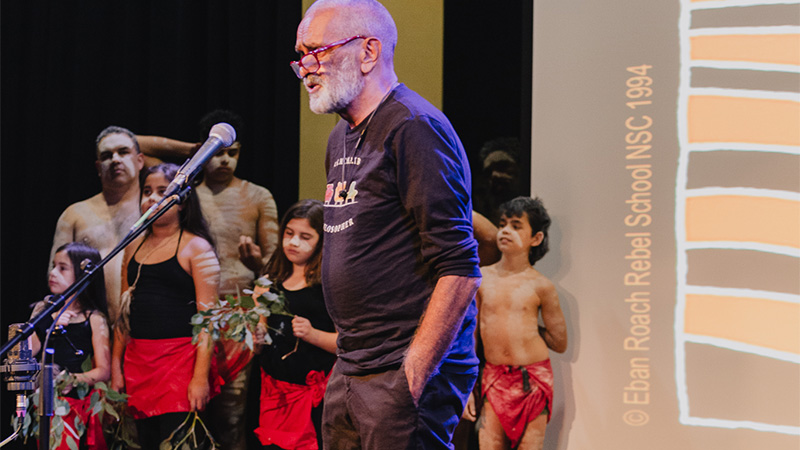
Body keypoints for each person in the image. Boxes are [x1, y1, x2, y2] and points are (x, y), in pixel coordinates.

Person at [293, 1, 482, 448]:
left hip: (400, 368)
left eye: (317, 51)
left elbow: (460, 267)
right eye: (300, 55)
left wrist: (413, 373)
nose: (306, 68)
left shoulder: (413, 127)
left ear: (368, 52)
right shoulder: (340, 135)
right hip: (353, 363)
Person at [110, 163, 221, 449]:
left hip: (180, 364)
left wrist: (199, 378)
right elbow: (123, 313)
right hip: (138, 363)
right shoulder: (133, 246)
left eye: (162, 191)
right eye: (147, 191)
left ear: (183, 202)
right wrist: (116, 368)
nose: (151, 198)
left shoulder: (197, 248)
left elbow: (208, 319)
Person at [191, 110, 280, 450]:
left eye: (233, 152)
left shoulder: (258, 197)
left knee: (231, 417)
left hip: (238, 318)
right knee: (190, 414)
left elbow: (276, 269)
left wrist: (258, 265)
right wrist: (193, 152)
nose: (225, 160)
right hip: (192, 317)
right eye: (218, 152)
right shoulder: (185, 195)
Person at [463, 196, 567, 450]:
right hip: (494, 379)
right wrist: (466, 386)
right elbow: (470, 336)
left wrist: (525, 328)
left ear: (536, 239)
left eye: (516, 225)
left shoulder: (541, 285)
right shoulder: (482, 278)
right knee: (489, 443)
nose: (506, 231)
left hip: (533, 381)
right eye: (503, 224)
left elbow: (559, 341)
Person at [254, 199, 337, 450]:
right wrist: (256, 337)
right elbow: (261, 339)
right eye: (289, 234)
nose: (293, 242)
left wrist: (314, 335)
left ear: (322, 241)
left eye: (305, 237)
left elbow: (349, 345)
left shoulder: (327, 287)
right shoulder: (270, 283)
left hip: (313, 401)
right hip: (273, 394)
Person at [49, 126, 145, 324]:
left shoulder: (156, 212)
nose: (115, 159)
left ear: (140, 161)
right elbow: (56, 277)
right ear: (98, 167)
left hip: (144, 330)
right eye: (107, 155)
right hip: (87, 328)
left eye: (123, 152)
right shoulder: (74, 214)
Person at [29, 242, 111, 450]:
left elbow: (103, 370)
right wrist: (49, 323)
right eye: (53, 266)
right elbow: (29, 352)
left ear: (83, 275)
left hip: (75, 408)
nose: (53, 273)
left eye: (62, 268)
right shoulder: (42, 310)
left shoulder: (93, 318)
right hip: (45, 405)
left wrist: (72, 379)